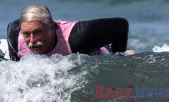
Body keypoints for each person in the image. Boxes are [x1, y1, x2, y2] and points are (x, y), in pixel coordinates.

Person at [7, 5, 135, 61]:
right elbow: (10, 26)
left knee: (130, 54)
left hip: (98, 53)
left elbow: (121, 25)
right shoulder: (15, 37)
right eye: (27, 34)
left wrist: (118, 59)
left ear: (52, 27)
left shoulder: (79, 37)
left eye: (37, 32)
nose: (32, 40)